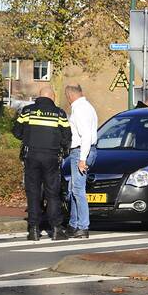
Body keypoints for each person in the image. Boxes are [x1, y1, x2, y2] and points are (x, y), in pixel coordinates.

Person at [13, 86, 71, 242]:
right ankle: (57, 230)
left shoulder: (27, 111)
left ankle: (33, 230)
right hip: (51, 157)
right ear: (52, 97)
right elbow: (67, 136)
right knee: (53, 194)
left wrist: (30, 136)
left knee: (33, 193)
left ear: (39, 96)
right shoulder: (59, 113)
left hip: (31, 155)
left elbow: (16, 132)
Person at [65, 84, 98, 239]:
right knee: (73, 189)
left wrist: (82, 159)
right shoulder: (89, 107)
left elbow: (85, 135)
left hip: (80, 151)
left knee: (78, 190)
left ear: (70, 96)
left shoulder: (79, 110)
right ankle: (73, 224)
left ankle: (83, 227)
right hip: (88, 150)